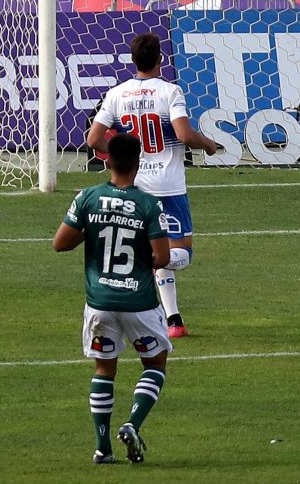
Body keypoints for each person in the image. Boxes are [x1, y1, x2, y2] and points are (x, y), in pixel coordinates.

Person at [87, 33, 217, 338]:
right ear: (161, 59)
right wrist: (208, 144)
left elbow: (93, 139)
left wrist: (117, 155)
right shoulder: (170, 92)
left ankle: (174, 321)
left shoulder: (117, 94)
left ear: (133, 61)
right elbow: (184, 135)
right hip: (168, 187)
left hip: (135, 185)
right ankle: (140, 262)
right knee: (180, 254)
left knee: (156, 247)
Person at [54, 133, 173, 464]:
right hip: (139, 304)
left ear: (107, 160)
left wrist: (91, 231)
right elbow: (161, 257)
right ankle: (132, 424)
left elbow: (60, 244)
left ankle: (102, 446)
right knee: (155, 363)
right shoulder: (149, 204)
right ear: (139, 163)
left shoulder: (87, 197)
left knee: (104, 369)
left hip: (100, 303)